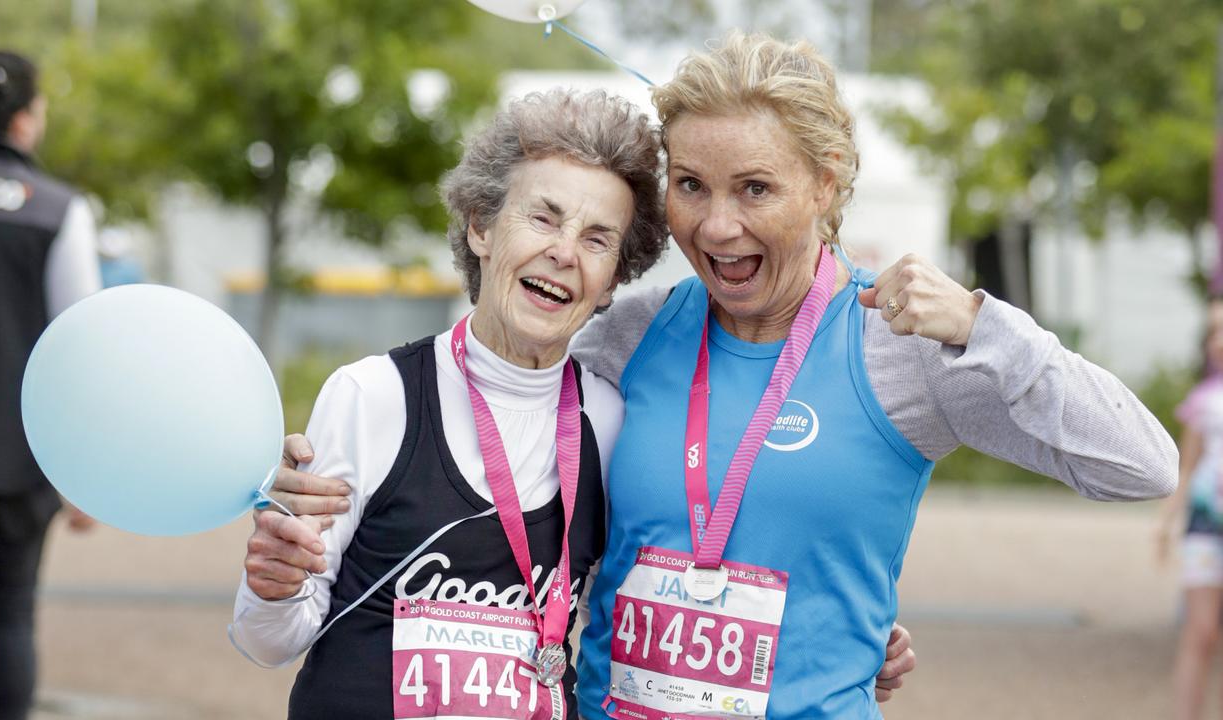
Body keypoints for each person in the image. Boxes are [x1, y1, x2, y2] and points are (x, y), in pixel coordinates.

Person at [263, 31, 1175, 718]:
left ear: (826, 184)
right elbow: (485, 414)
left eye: (755, 189)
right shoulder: (629, 333)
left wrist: (989, 326)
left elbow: (1140, 466)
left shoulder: (905, 347)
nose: (716, 226)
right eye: (691, 186)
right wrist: (317, 484)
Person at [231, 88, 667, 718]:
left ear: (612, 285)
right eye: (543, 218)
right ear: (481, 226)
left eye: (598, 240)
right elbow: (266, 642)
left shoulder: (611, 421)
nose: (565, 252)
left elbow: (629, 620)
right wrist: (271, 587)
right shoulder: (371, 397)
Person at [0, 50, 100, 720]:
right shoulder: (57, 210)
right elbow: (80, 341)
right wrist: (83, 475)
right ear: (23, 122)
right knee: (12, 621)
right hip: (20, 462)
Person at [1157, 297, 1223, 720]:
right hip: (1205, 524)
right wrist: (1164, 522)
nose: (1217, 342)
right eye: (1213, 333)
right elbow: (1187, 465)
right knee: (1200, 633)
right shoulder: (1204, 399)